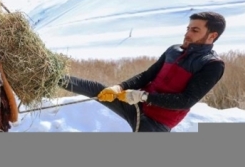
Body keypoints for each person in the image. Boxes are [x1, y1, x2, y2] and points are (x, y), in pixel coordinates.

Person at [59, 11, 226, 132]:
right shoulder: (173, 50)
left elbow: (186, 101)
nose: (187, 34)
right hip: (136, 105)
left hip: (156, 124)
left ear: (212, 36)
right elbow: (147, 75)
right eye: (188, 28)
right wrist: (119, 87)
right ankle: (51, 77)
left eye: (195, 30)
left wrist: (144, 97)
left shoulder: (212, 64)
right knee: (95, 88)